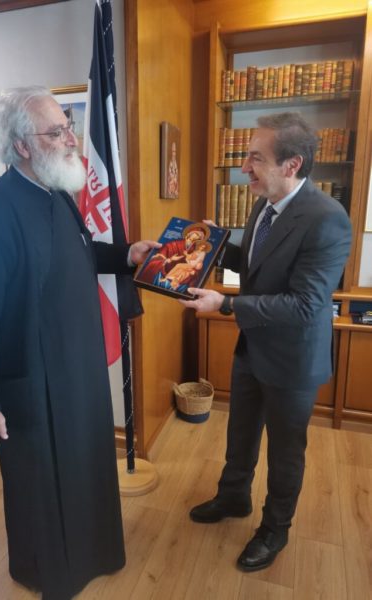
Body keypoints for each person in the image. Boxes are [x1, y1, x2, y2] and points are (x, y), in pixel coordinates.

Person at [0, 86, 160, 600]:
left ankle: (97, 554)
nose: (71, 140)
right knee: (41, 488)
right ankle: (51, 576)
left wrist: (126, 254)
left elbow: (80, 254)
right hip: (32, 386)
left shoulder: (58, 194)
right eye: (57, 132)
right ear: (23, 146)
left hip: (80, 374)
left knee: (87, 468)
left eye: (68, 127)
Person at [180, 112, 352, 572]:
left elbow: (306, 304)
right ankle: (233, 497)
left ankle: (275, 528)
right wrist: (217, 245)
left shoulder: (328, 219)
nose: (244, 168)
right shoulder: (264, 205)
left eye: (255, 158)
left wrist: (227, 305)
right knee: (240, 432)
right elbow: (256, 266)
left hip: (293, 361)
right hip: (252, 348)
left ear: (292, 165)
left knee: (285, 451)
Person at [136, 222, 210, 287]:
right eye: (196, 234)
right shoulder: (173, 244)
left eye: (199, 237)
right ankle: (167, 278)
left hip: (185, 269)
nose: (196, 237)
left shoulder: (194, 249)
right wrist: (170, 259)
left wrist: (196, 267)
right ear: (189, 234)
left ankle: (174, 281)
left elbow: (194, 262)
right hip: (169, 267)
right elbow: (160, 256)